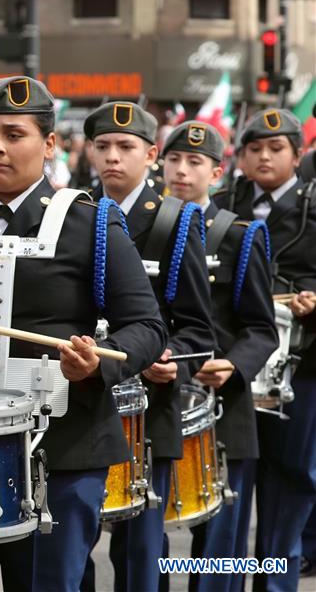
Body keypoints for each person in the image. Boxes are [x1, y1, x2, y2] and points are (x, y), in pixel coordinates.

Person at [0, 76, 167, 591]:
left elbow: (146, 325)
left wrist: (100, 359)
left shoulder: (90, 222)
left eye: (14, 134)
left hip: (62, 448)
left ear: (49, 145)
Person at [85, 102, 215, 591]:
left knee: (140, 552)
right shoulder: (73, 213)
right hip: (84, 401)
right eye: (102, 146)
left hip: (149, 407)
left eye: (126, 146)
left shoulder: (175, 220)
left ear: (151, 155)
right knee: (72, 541)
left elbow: (198, 329)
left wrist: (172, 361)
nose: (112, 157)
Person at [163, 120, 278, 592]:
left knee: (219, 546)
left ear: (216, 173)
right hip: (161, 397)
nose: (182, 170)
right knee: (143, 536)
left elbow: (262, 328)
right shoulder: (147, 227)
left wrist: (234, 364)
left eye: (195, 162)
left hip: (223, 401)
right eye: (174, 159)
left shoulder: (239, 235)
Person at [214, 108, 316, 591]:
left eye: (276, 148)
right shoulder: (222, 205)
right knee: (229, 481)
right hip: (234, 363)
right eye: (254, 148)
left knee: (291, 476)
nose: (264, 157)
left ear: (297, 156)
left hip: (302, 365)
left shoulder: (313, 205)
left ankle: (276, 580)